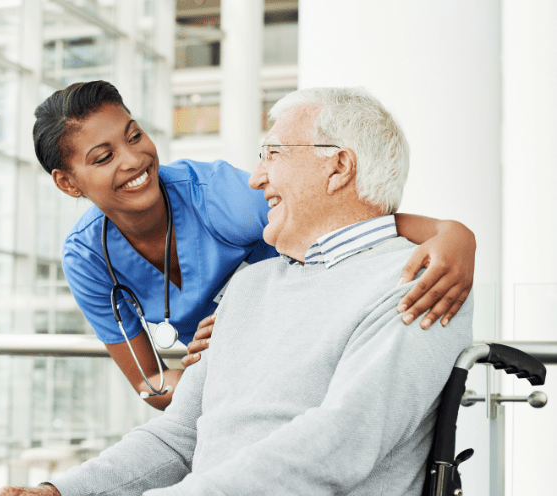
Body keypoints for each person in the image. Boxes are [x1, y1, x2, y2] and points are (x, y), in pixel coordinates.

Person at [0, 87, 474, 496]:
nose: (257, 176)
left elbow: (340, 445)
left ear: (338, 167)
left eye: (271, 155)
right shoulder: (253, 281)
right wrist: (55, 492)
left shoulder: (418, 282)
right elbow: (177, 436)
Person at [36, 81, 476, 408]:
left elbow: (345, 216)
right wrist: (209, 366)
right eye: (104, 156)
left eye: (134, 136)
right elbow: (151, 383)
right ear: (67, 182)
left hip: (302, 364)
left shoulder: (219, 197)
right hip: (221, 399)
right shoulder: (88, 257)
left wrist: (450, 233)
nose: (134, 159)